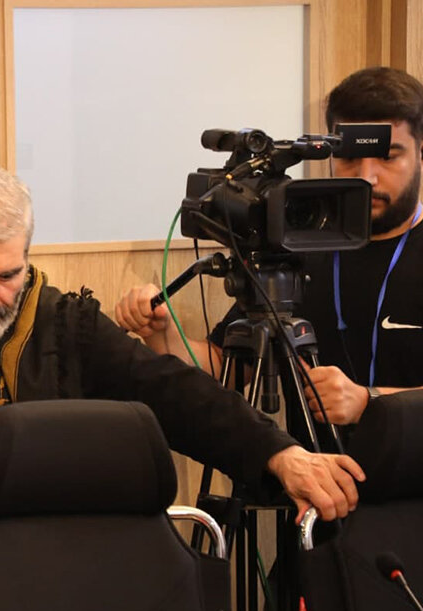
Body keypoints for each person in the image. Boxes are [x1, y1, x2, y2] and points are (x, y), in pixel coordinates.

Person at [0, 165, 365, 525]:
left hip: (20, 563)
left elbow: (173, 392)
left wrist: (279, 453)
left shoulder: (61, 326)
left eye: (7, 276)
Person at [116, 67, 423, 427]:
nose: (367, 176)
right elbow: (223, 368)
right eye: (349, 158)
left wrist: (370, 401)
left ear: (420, 152)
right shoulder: (295, 245)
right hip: (312, 464)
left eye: (388, 157)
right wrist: (163, 334)